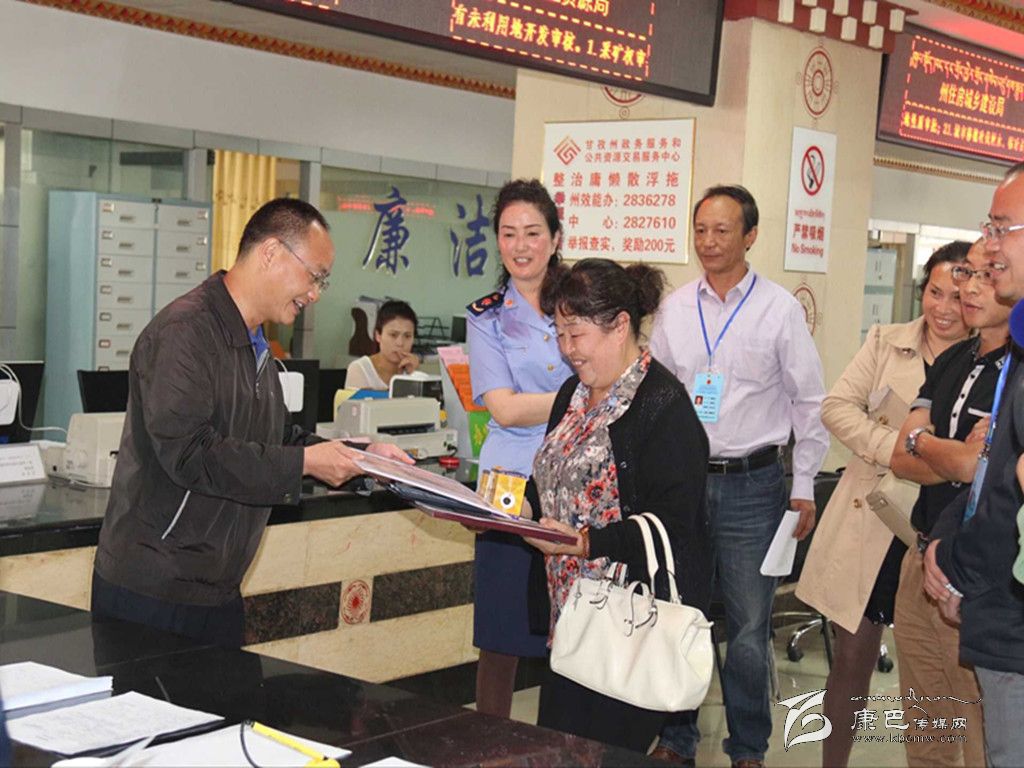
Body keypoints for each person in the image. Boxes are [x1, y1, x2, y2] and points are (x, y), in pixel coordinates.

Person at [92, 198, 411, 647]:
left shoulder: (257, 343)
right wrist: (305, 463)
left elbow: (277, 437)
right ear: (271, 253)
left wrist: (361, 457)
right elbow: (190, 454)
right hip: (154, 589)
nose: (316, 294)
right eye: (315, 276)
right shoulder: (185, 332)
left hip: (217, 588)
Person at [649, 184, 829, 768]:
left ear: (749, 236)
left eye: (722, 230)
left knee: (750, 625)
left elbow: (809, 403)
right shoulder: (677, 308)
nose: (708, 242)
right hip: (683, 484)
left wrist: (803, 485)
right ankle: (676, 738)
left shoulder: (779, 310)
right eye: (700, 230)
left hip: (753, 485)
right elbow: (654, 396)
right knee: (680, 613)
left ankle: (748, 747)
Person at [522, 258, 712, 753]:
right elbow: (549, 478)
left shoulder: (661, 405)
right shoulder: (572, 394)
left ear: (620, 325)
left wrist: (585, 543)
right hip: (569, 619)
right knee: (559, 752)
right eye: (559, 334)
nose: (567, 349)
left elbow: (675, 522)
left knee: (605, 753)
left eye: (576, 334)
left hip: (628, 623)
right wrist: (514, 512)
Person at [796, 241, 970, 767]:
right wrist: (893, 448)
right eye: (935, 292)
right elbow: (836, 407)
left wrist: (933, 458)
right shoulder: (886, 341)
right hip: (874, 514)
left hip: (943, 526)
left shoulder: (988, 362)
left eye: (957, 296)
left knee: (941, 671)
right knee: (851, 659)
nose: (944, 308)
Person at [887, 240, 1005, 767]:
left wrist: (927, 443)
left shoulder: (1015, 373)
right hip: (919, 560)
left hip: (972, 575)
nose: (970, 289)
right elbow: (902, 455)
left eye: (986, 276)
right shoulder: (956, 356)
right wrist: (945, 451)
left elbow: (976, 469)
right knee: (926, 733)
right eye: (966, 275)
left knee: (981, 736)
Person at [924, 162, 1024, 767]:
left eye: (1001, 228)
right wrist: (947, 545)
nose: (987, 246)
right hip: (991, 597)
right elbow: (989, 471)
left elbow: (996, 477)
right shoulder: (1008, 349)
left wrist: (963, 570)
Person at [465, 178, 574, 718]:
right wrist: (581, 396)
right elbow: (504, 409)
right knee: (501, 632)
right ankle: (489, 743)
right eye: (508, 233)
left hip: (575, 478)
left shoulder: (584, 301)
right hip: (508, 482)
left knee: (575, 626)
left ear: (555, 238)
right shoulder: (486, 316)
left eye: (532, 232)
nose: (520, 245)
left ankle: (565, 746)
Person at [344, 300, 420, 390]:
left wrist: (414, 375)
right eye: (393, 335)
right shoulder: (360, 368)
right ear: (378, 336)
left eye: (407, 336)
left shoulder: (412, 370)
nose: (400, 343)